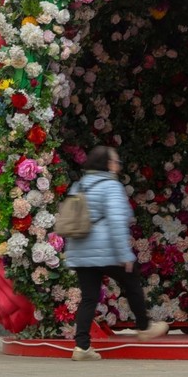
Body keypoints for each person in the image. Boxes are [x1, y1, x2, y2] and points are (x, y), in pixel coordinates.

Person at [65, 146, 169, 361]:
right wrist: (124, 254)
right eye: (115, 161)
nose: (117, 165)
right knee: (131, 281)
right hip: (106, 250)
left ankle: (81, 347)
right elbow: (116, 221)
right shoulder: (111, 186)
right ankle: (144, 326)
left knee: (89, 298)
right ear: (107, 164)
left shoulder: (80, 185)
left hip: (81, 250)